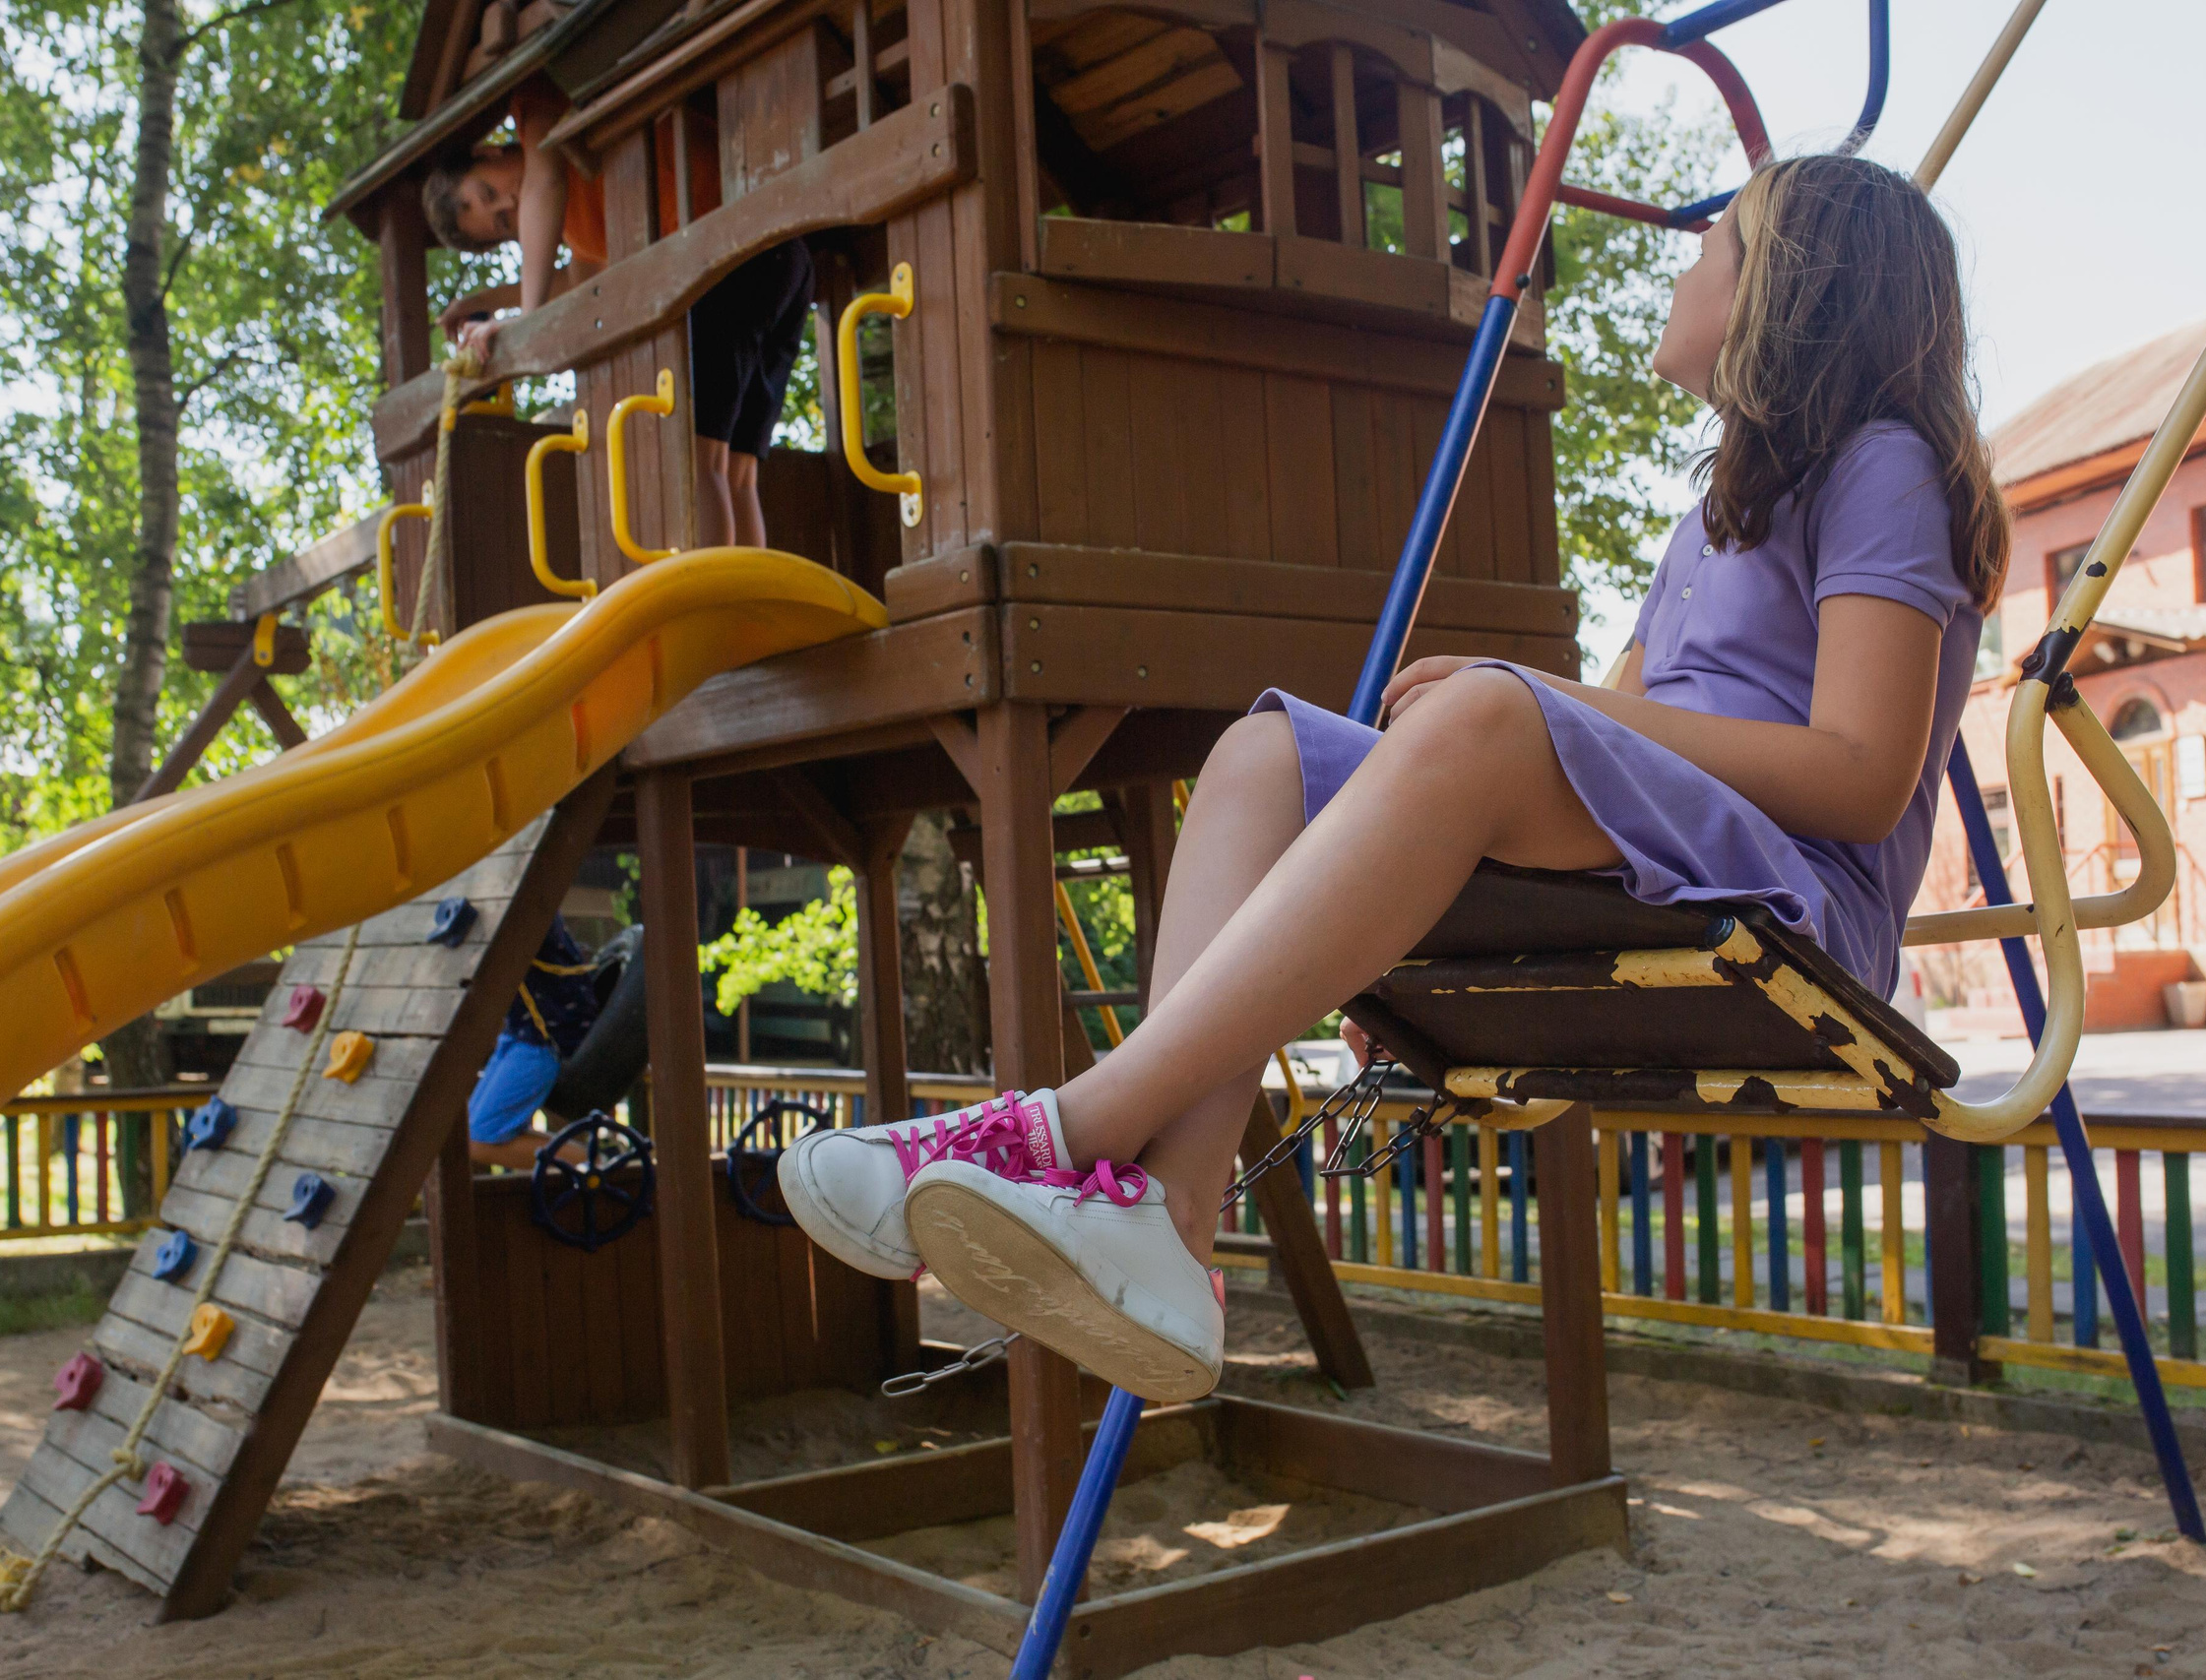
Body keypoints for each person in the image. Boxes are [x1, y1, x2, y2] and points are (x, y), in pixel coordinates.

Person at [777, 154, 2004, 1404]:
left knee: (1485, 708)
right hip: (1666, 866)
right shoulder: (1712, 519)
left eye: (1714, 244)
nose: (1684, 264)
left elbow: (1859, 779)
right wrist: (1397, 908)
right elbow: (1626, 736)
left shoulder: (1884, 468)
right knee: (1265, 753)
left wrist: (1543, 704)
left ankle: (1063, 1130)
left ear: (1784, 293)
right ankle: (1170, 1216)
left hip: (1800, 908)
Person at [421, 80, 814, 550]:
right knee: (736, 471)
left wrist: (526, 318)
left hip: (726, 249)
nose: (508, 203)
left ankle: (721, 610)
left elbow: (545, 180)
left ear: (487, 152)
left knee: (697, 458)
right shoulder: (576, 229)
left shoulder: (537, 110)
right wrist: (486, 301)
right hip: (776, 261)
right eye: (502, 222)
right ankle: (756, 611)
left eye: (488, 192)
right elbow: (579, 283)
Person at [467, 917, 604, 1169]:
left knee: (480, 1139)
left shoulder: (524, 907)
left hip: (546, 1035)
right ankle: (592, 1163)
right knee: (471, 1133)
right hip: (520, 1030)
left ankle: (597, 1168)